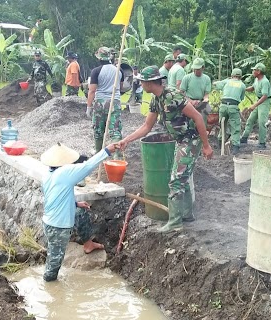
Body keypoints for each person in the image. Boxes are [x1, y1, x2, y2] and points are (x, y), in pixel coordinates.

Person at [116, 66, 213, 232]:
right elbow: (147, 126)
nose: (140, 83)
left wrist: (206, 145)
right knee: (183, 176)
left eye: (142, 81)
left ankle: (175, 222)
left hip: (191, 140)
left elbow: (198, 117)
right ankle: (187, 214)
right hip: (181, 140)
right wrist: (127, 140)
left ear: (150, 82)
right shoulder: (156, 99)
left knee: (176, 179)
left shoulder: (172, 96)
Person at [40, 142, 118, 282]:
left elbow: (55, 197)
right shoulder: (64, 172)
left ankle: (88, 244)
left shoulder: (48, 174)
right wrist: (106, 151)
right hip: (58, 226)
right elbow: (87, 166)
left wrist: (75, 203)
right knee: (54, 264)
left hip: (49, 221)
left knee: (79, 211)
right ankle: (51, 290)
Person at [86, 46, 124, 157]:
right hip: (114, 102)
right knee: (115, 129)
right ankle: (117, 156)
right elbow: (120, 88)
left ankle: (98, 152)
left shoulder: (96, 71)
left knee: (98, 129)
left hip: (100, 103)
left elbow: (92, 90)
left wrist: (89, 107)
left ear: (99, 58)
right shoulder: (119, 71)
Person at [240, 63, 271, 149]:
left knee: (262, 122)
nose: (253, 71)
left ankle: (262, 142)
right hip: (259, 101)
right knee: (250, 120)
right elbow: (253, 88)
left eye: (254, 70)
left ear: (259, 71)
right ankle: (244, 137)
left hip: (264, 102)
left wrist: (254, 105)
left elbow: (265, 96)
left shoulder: (265, 82)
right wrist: (243, 88)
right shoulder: (257, 80)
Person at [214, 68, 247, 154]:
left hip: (223, 106)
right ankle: (235, 148)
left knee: (222, 125)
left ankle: (220, 142)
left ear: (232, 75)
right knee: (235, 127)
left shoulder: (226, 82)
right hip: (233, 106)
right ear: (240, 76)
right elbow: (241, 98)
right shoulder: (242, 85)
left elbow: (215, 84)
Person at [180, 58, 211, 122]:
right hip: (188, 101)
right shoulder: (187, 78)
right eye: (194, 69)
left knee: (206, 113)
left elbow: (206, 94)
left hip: (201, 102)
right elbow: (181, 93)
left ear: (203, 68)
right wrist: (190, 101)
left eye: (198, 69)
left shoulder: (206, 79)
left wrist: (205, 99)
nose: (195, 71)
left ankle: (203, 130)